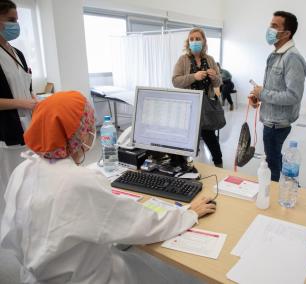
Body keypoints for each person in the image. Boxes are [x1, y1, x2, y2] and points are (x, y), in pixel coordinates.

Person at [0, 91, 216, 283]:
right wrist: (187, 214)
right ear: (79, 134)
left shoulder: (23, 169)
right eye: (88, 126)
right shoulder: (78, 182)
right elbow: (142, 224)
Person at [249, 11, 306, 182]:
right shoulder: (275, 55)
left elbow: (293, 95)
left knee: (272, 164)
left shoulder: (292, 58)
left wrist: (263, 93)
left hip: (277, 124)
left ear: (287, 33)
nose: (269, 29)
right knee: (273, 158)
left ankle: (274, 195)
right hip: (270, 120)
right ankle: (286, 186)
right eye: (270, 25)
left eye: (274, 26)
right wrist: (259, 96)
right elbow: (275, 87)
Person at [0, 0, 37, 213]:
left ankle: (28, 221)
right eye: (10, 20)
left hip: (27, 127)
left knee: (28, 181)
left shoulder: (17, 53)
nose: (16, 25)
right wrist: (23, 103)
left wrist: (34, 100)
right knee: (10, 186)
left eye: (17, 20)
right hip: (7, 133)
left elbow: (25, 84)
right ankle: (11, 234)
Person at [172, 28, 224, 168]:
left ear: (204, 41)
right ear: (188, 42)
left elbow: (218, 83)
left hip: (205, 108)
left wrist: (215, 77)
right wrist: (193, 77)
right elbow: (175, 81)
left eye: (198, 38)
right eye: (192, 39)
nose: (194, 41)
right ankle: (180, 166)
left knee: (210, 137)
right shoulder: (183, 60)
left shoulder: (210, 60)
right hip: (188, 108)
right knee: (185, 139)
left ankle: (219, 164)